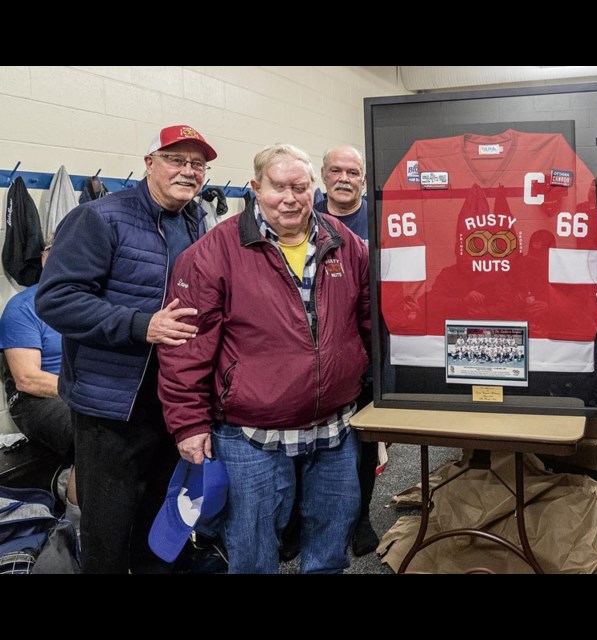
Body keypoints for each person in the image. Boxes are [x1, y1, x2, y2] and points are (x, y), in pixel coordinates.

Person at [158, 143, 370, 574]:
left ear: (315, 188)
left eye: (299, 186)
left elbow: (367, 321)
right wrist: (189, 423)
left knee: (331, 537)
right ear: (255, 188)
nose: (290, 198)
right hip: (250, 431)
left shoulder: (343, 242)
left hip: (334, 424)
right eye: (278, 187)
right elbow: (186, 347)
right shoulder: (213, 252)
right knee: (251, 547)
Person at [35, 124, 215, 573]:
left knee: (161, 518)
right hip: (112, 405)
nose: (187, 171)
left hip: (174, 400)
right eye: (176, 159)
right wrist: (140, 325)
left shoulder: (199, 221)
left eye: (197, 164)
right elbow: (56, 299)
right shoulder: (100, 217)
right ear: (149, 162)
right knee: (109, 528)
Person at [314, 144, 380, 557]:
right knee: (313, 442)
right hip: (315, 353)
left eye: (352, 172)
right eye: (336, 170)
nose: (344, 178)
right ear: (324, 177)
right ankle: (304, 522)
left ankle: (360, 517)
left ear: (363, 180)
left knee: (363, 439)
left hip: (366, 348)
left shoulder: (383, 218)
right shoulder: (303, 215)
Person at [0, 233, 80, 527]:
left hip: (79, 391)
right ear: (46, 259)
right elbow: (27, 379)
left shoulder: (88, 302)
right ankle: (75, 528)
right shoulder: (22, 307)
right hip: (35, 399)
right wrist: (86, 393)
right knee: (93, 435)